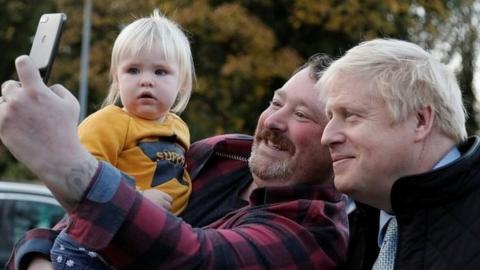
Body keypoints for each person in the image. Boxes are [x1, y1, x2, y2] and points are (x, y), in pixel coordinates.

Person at [2, 53, 348, 269]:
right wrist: (39, 258)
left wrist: (60, 157)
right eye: (275, 103)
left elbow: (194, 258)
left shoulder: (316, 233)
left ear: (334, 138)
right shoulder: (217, 152)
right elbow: (73, 225)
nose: (272, 121)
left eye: (302, 114)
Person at [47, 10, 195, 270]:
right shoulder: (109, 122)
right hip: (93, 249)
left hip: (146, 245)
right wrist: (136, 200)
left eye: (161, 72)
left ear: (182, 82)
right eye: (133, 70)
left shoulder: (179, 127)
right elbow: (84, 175)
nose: (146, 81)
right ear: (117, 78)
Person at [319, 38, 480, 269]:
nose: (327, 137)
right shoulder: (354, 228)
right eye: (330, 117)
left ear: (420, 121)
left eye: (351, 115)